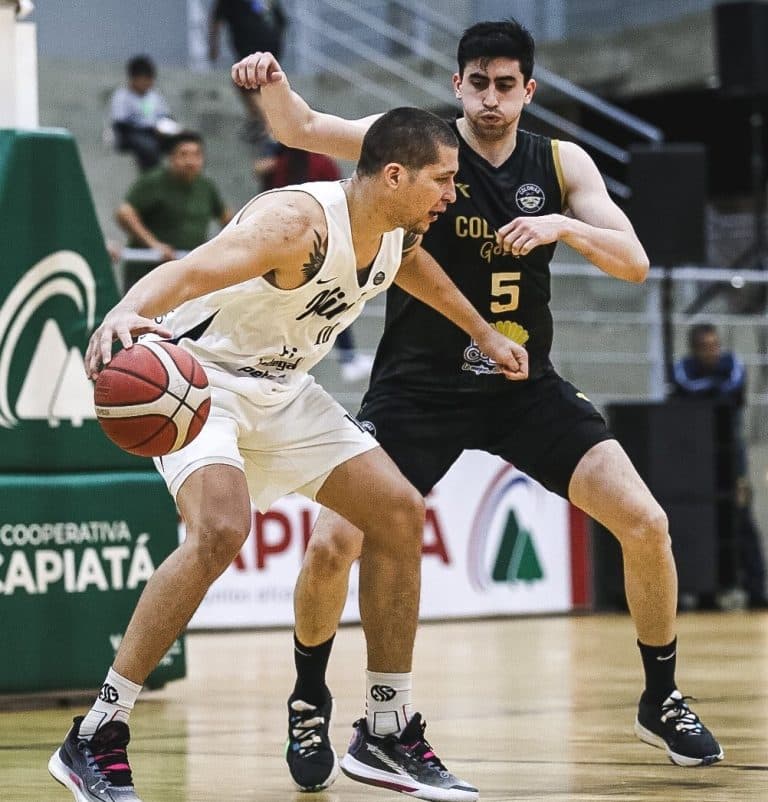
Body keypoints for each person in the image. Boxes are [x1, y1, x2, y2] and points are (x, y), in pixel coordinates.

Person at [231, 18, 725, 795]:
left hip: (522, 384)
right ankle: (308, 698)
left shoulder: (561, 163)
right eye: (478, 83)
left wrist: (563, 223)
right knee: (332, 545)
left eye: (507, 85)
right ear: (457, 85)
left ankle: (661, 697)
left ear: (529, 90)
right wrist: (271, 79)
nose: (491, 99)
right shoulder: (416, 143)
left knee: (648, 522)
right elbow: (300, 127)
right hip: (419, 390)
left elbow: (635, 263)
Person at [48, 107, 529, 802]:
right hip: (198, 382)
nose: (452, 196)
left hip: (284, 391)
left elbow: (413, 269)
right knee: (221, 529)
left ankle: (387, 729)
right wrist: (127, 309)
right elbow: (191, 271)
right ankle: (96, 733)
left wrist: (482, 332)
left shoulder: (395, 230)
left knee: (397, 511)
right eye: (442, 180)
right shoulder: (295, 224)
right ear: (393, 175)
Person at [257, 142, 374, 382]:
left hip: (310, 242)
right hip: (295, 242)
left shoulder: (311, 162)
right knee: (316, 302)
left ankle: (346, 357)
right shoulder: (283, 163)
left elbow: (341, 199)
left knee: (323, 301)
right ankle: (345, 357)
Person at [672, 322, 768, 610]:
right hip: (696, 459)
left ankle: (756, 589)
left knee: (742, 520)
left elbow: (733, 387)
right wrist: (715, 391)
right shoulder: (684, 368)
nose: (712, 353)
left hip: (731, 457)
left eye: (715, 346)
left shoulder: (732, 363)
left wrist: (711, 392)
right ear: (694, 349)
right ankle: (705, 592)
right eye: (705, 348)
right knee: (700, 525)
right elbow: (687, 388)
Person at [115, 131, 233, 294]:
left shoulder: (206, 187)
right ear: (171, 158)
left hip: (187, 274)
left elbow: (227, 218)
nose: (191, 161)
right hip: (149, 273)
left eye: (196, 155)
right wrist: (154, 245)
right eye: (184, 155)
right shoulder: (154, 181)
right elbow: (125, 213)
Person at [208, 0, 288, 144]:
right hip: (271, 41)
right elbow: (282, 21)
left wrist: (213, 47)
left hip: (250, 42)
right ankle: (258, 119)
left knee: (244, 81)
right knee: (255, 83)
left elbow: (216, 20)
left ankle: (269, 126)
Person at [109, 55, 180, 171]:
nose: (149, 83)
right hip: (131, 134)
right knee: (148, 146)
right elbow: (121, 123)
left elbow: (165, 116)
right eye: (145, 79)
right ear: (134, 79)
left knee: (182, 142)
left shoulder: (154, 96)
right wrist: (149, 129)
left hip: (155, 133)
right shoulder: (122, 96)